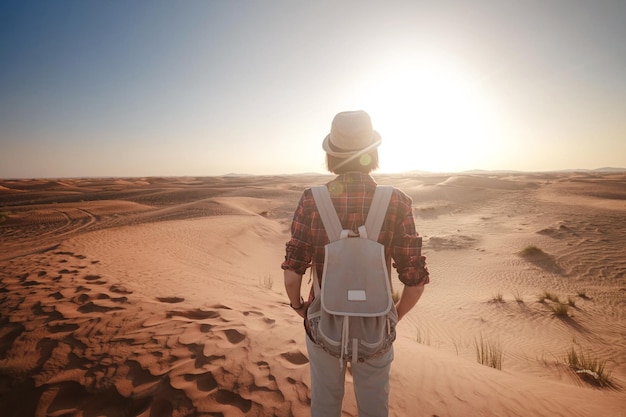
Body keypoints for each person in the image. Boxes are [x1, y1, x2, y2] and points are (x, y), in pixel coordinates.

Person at [281, 110, 429, 417]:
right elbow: (414, 282)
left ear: (331, 156)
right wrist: (392, 318)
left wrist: (299, 308)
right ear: (372, 152)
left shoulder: (312, 200)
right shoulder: (397, 201)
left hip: (322, 326)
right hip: (377, 330)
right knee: (375, 407)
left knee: (324, 403)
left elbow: (293, 274)